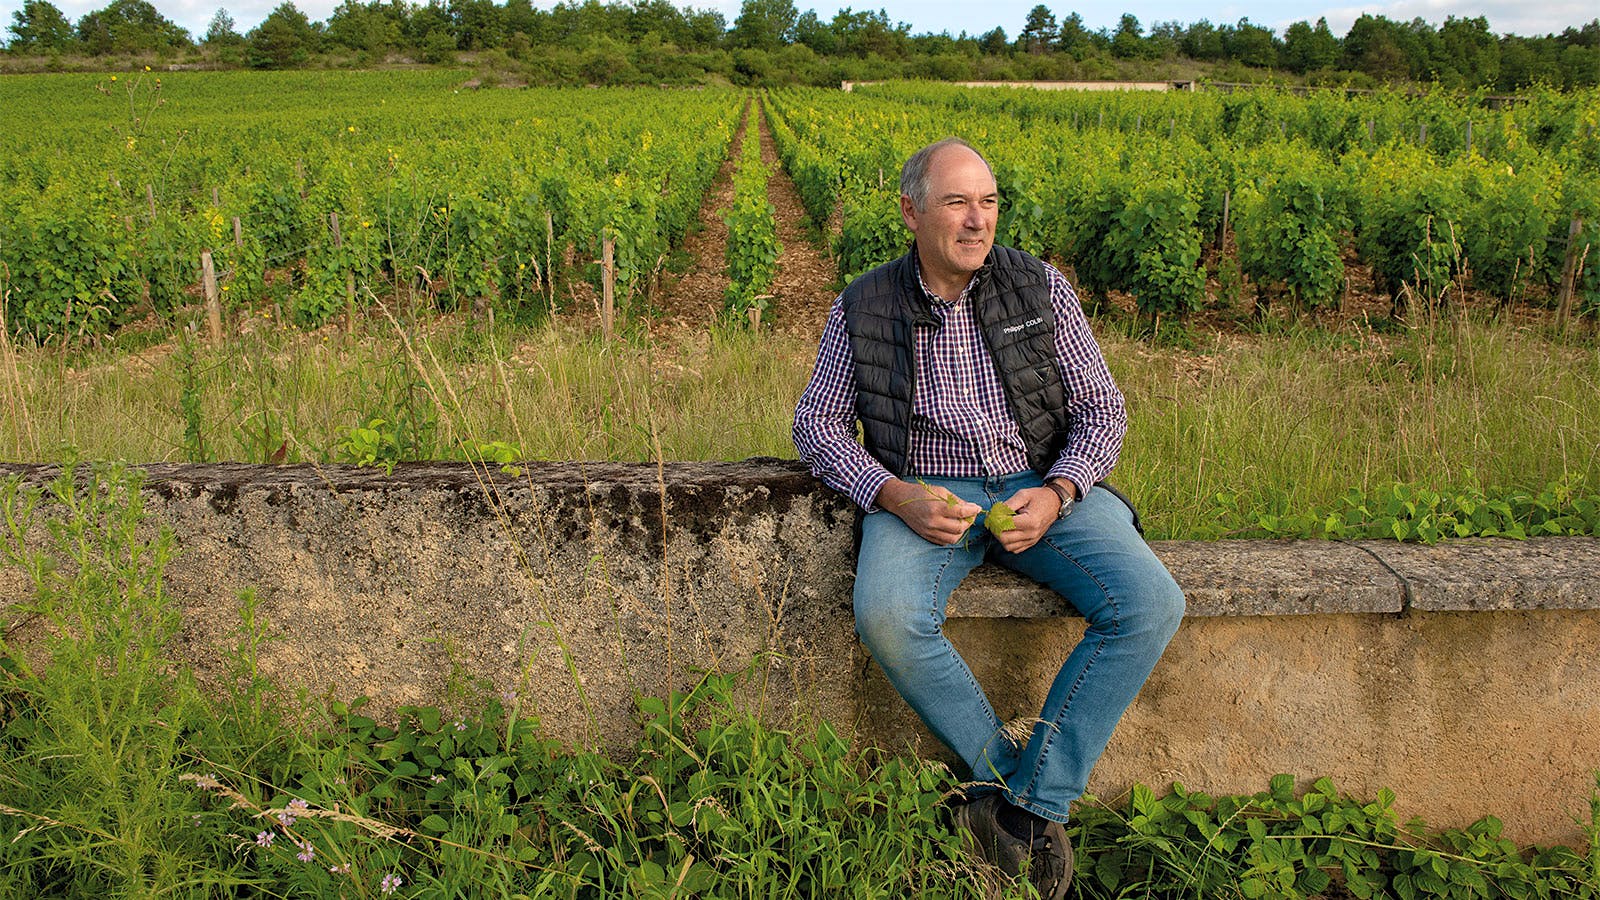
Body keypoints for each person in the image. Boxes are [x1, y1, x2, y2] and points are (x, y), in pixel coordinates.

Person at [791, 137, 1185, 899]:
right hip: (926, 488)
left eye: (990, 201)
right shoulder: (863, 304)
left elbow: (1104, 409)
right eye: (957, 202)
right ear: (911, 212)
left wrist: (1063, 488)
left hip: (1039, 478)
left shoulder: (1038, 287)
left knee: (1149, 602)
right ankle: (1019, 794)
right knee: (887, 614)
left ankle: (1019, 808)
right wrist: (893, 493)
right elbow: (818, 425)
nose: (979, 221)